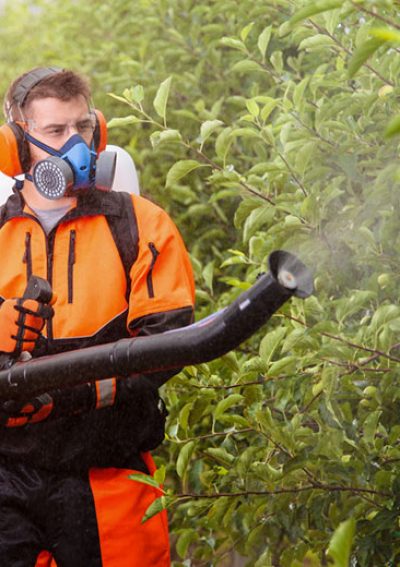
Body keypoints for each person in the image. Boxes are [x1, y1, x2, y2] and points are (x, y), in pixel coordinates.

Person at [0, 67, 195, 566]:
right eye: (55, 132)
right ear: (16, 147)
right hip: (7, 474)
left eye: (83, 128)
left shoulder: (139, 221)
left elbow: (167, 341)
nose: (75, 145)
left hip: (107, 471)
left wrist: (70, 392)